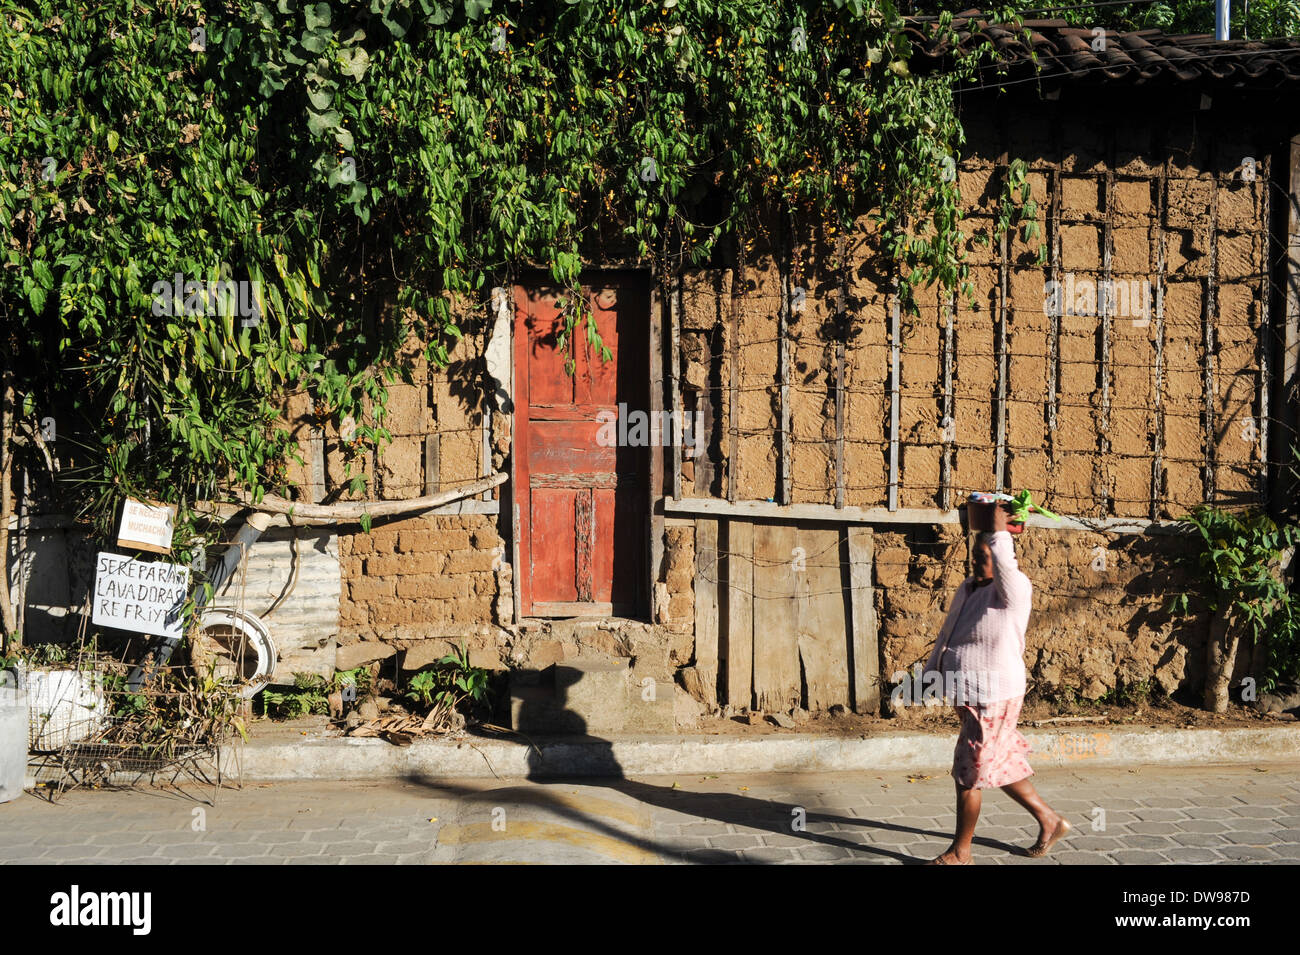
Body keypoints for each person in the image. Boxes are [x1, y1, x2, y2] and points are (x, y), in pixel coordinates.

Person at [923, 502, 1071, 864]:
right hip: (971, 693)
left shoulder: (1013, 591)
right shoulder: (969, 588)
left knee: (968, 774)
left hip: (993, 695)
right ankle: (1049, 820)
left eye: (984, 557)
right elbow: (947, 634)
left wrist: (998, 530)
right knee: (996, 760)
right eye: (974, 557)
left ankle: (961, 852)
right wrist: (931, 672)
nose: (977, 563)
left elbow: (1005, 560)